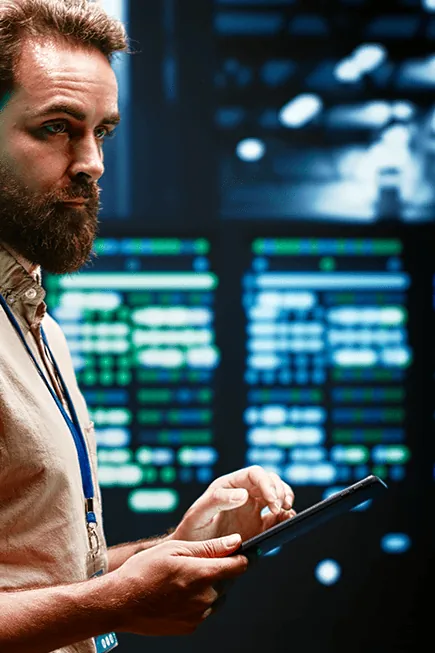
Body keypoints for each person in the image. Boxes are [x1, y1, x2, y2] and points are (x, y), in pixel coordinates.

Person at [0, 2, 296, 652]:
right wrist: (119, 599)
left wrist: (181, 545)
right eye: (56, 127)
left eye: (101, 132)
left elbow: (41, 574)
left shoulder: (38, 324)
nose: (91, 162)